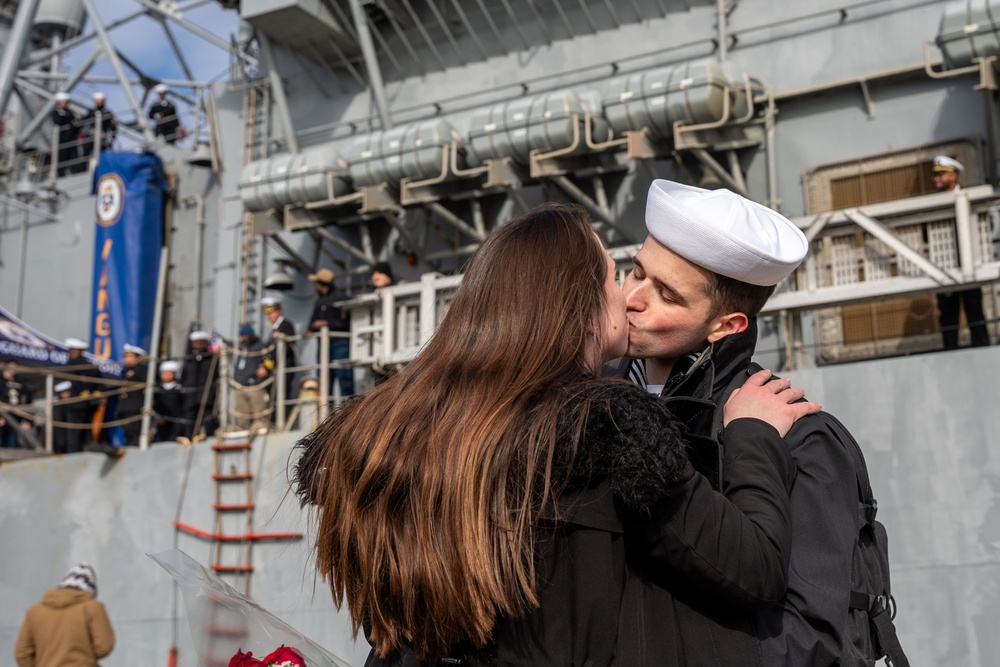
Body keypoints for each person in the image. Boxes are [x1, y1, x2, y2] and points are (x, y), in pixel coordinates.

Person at [293, 202, 820, 665]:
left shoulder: (396, 426)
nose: (629, 298)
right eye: (618, 276)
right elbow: (754, 570)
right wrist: (752, 432)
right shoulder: (608, 427)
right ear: (583, 312)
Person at [618, 178, 869, 665]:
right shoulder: (584, 400)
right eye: (636, 272)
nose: (632, 298)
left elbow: (816, 635)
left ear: (726, 326)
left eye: (667, 295)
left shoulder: (801, 435)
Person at [931, 155, 990, 349]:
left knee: (974, 309)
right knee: (948, 313)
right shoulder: (932, 203)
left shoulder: (970, 196)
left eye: (940, 174)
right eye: (935, 175)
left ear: (953, 176)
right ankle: (950, 352)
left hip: (970, 262)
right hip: (945, 267)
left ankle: (982, 347)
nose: (936, 179)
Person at [15, 563, 115, 667]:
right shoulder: (92, 607)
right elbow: (104, 647)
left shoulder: (34, 611)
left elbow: (22, 654)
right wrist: (84, 657)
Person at [305, 268, 352, 398]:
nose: (314, 286)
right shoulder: (319, 302)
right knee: (324, 382)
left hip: (340, 343)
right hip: (324, 346)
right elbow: (312, 322)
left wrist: (326, 323)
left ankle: (348, 413)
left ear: (321, 284)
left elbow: (348, 322)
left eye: (316, 283)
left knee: (345, 380)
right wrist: (311, 328)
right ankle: (328, 414)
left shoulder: (341, 298)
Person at [262, 297, 297, 423]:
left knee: (282, 396)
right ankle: (274, 422)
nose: (268, 316)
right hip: (275, 371)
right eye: (267, 313)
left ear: (279, 311)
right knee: (275, 398)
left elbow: (284, 349)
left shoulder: (286, 326)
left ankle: (282, 422)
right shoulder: (274, 329)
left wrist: (267, 367)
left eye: (271, 312)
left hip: (285, 369)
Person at [180, 331, 219, 440]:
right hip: (190, 397)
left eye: (202, 343)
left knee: (208, 420)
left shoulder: (211, 359)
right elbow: (184, 376)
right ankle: (189, 439)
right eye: (197, 343)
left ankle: (209, 437)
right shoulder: (189, 360)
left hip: (206, 396)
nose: (199, 345)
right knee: (190, 421)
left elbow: (216, 375)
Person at [231, 323, 269, 432]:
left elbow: (266, 363)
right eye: (242, 336)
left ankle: (260, 427)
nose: (243, 338)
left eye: (245, 335)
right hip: (240, 385)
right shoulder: (242, 349)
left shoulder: (259, 347)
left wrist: (258, 379)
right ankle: (242, 429)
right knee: (241, 411)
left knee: (259, 409)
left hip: (254, 384)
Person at [115, 344, 148, 447]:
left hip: (134, 406)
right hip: (125, 406)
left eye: (129, 356)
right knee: (127, 431)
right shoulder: (126, 371)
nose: (126, 359)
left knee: (134, 431)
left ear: (137, 357)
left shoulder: (141, 369)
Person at [0, 363, 33, 448]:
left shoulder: (21, 384)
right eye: (10, 367)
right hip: (2, 418)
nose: (12, 370)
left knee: (12, 445)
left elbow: (27, 402)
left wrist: (27, 420)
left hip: (14, 420)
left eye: (14, 368)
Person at [79, 91, 117, 159]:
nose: (99, 102)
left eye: (100, 100)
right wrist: (81, 135)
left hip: (102, 139)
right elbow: (81, 122)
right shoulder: (90, 112)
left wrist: (111, 140)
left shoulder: (108, 113)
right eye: (97, 100)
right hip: (90, 138)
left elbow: (113, 127)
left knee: (102, 157)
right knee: (85, 155)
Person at [153, 360, 184, 443]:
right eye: (164, 373)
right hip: (160, 421)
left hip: (175, 421)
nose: (166, 375)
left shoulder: (180, 388)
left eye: (169, 373)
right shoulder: (157, 389)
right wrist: (157, 416)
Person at [51, 92, 80, 176]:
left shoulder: (70, 113)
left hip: (71, 139)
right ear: (59, 102)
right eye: (63, 101)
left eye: (66, 101)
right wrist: (66, 117)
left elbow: (75, 124)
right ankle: (60, 176)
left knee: (74, 158)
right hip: (62, 140)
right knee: (61, 160)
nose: (65, 103)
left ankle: (75, 174)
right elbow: (58, 121)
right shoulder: (56, 112)